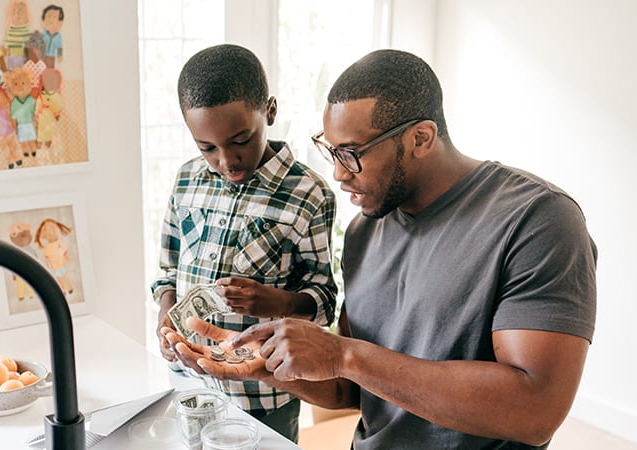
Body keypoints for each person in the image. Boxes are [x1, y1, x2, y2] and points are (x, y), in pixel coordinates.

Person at [164, 49, 597, 449]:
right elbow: (351, 386)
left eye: (351, 154)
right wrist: (267, 364)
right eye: (331, 151)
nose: (337, 173)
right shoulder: (363, 233)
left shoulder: (537, 220)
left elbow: (535, 411)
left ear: (421, 138)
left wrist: (343, 353)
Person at [151, 44, 338, 443]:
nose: (227, 160)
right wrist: (167, 315)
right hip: (189, 382)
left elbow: (323, 299)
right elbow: (167, 270)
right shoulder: (187, 181)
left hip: (264, 394)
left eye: (240, 140)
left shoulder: (309, 194)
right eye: (207, 148)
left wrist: (276, 303)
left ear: (269, 111)